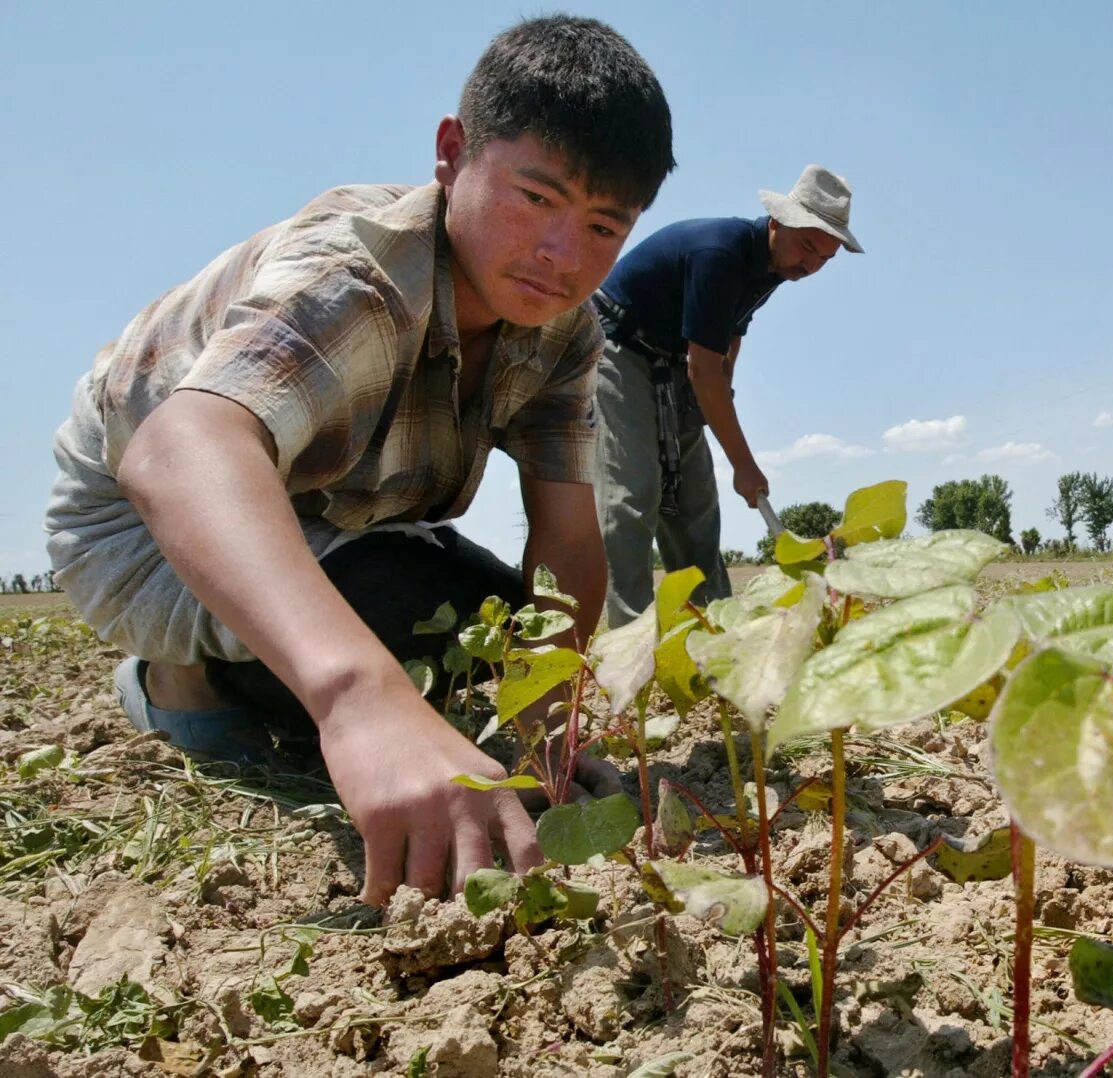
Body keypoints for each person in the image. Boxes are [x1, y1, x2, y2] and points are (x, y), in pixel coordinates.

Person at [41, 16, 675, 906]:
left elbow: (567, 538)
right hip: (144, 524)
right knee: (385, 637)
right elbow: (180, 450)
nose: (561, 257)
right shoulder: (361, 276)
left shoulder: (563, 332)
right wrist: (357, 700)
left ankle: (297, 672)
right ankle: (178, 678)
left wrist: (545, 727)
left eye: (604, 226)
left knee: (480, 636)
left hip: (332, 516)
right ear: (453, 154)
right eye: (536, 199)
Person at [590, 165, 863, 626]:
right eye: (808, 248)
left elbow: (730, 336)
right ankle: (629, 642)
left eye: (825, 259)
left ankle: (716, 633)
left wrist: (721, 390)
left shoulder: (774, 267)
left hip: (678, 361)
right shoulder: (721, 253)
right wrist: (743, 462)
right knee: (632, 496)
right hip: (620, 345)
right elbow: (703, 369)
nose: (811, 266)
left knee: (696, 502)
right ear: (778, 222)